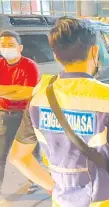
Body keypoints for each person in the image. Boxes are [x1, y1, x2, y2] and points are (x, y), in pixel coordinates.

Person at [8, 17, 109, 207]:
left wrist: (53, 187)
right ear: (95, 51)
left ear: (55, 55)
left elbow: (18, 157)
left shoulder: (39, 97)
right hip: (100, 201)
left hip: (61, 201)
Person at [0, 30, 40, 203]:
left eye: (10, 45)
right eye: (2, 45)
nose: (6, 48)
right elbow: (19, 91)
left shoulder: (29, 65)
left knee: (30, 152)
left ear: (20, 47)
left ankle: (34, 181)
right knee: (1, 154)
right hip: (4, 115)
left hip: (26, 115)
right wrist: (15, 90)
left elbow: (28, 92)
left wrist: (4, 90)